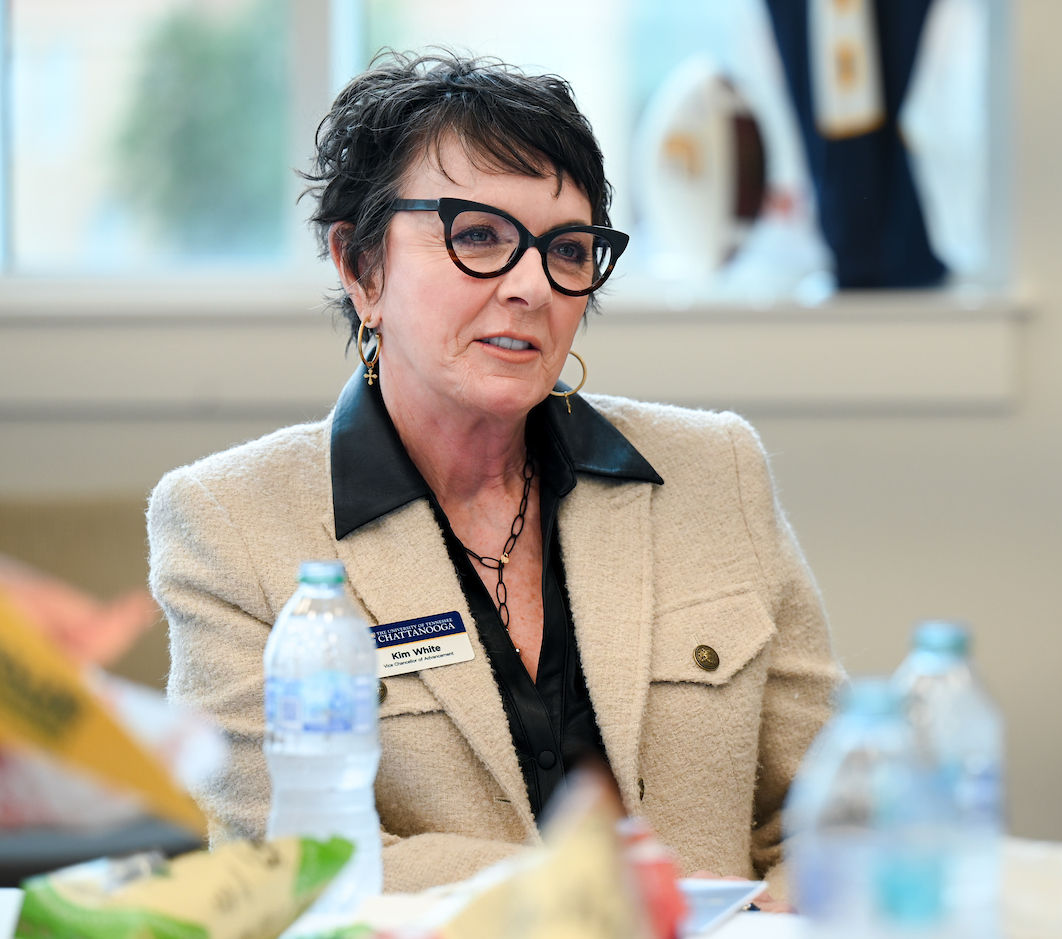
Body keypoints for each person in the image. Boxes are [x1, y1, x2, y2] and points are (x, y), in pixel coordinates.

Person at [148, 52, 840, 898]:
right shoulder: (230, 523)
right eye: (478, 235)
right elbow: (286, 858)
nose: (532, 286)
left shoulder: (714, 470)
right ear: (360, 266)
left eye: (568, 249)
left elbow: (836, 816)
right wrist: (596, 895)